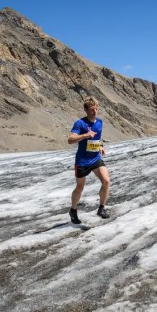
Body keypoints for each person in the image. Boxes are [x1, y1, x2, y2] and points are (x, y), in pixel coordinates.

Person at [68, 96, 111, 224]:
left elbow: (97, 138)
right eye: (92, 109)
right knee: (80, 187)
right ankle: (73, 210)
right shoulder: (80, 123)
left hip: (95, 158)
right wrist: (86, 135)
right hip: (82, 161)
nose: (95, 111)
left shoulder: (100, 123)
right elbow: (70, 140)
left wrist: (101, 146)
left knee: (106, 180)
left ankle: (101, 208)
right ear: (86, 110)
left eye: (96, 109)